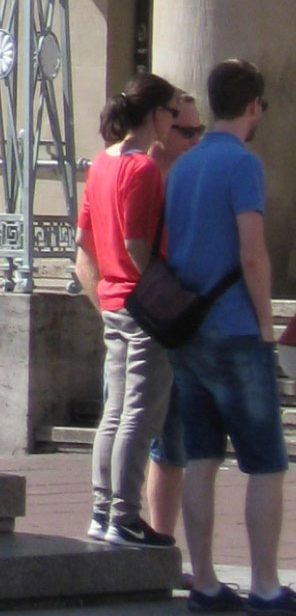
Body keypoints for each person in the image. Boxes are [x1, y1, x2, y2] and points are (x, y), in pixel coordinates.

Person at [162, 57, 293, 616]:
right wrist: (266, 324)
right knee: (265, 460)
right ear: (254, 106)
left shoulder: (185, 166)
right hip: (237, 328)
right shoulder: (243, 165)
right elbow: (252, 251)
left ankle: (207, 580)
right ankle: (265, 586)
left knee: (201, 457)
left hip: (189, 331)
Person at [73, 72, 179, 546]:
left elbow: (84, 240)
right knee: (139, 412)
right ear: (154, 115)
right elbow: (138, 242)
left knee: (114, 411)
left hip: (112, 300)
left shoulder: (100, 164)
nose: (173, 123)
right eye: (172, 114)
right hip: (143, 302)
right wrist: (165, 290)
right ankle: (124, 515)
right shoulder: (142, 168)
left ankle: (102, 511)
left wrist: (104, 288)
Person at [147, 89, 204, 543]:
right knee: (158, 436)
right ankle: (149, 536)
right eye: (187, 130)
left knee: (174, 440)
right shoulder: (142, 174)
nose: (195, 139)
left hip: (183, 321)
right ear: (162, 127)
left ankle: (162, 540)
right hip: (152, 319)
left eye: (200, 130)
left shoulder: (191, 178)